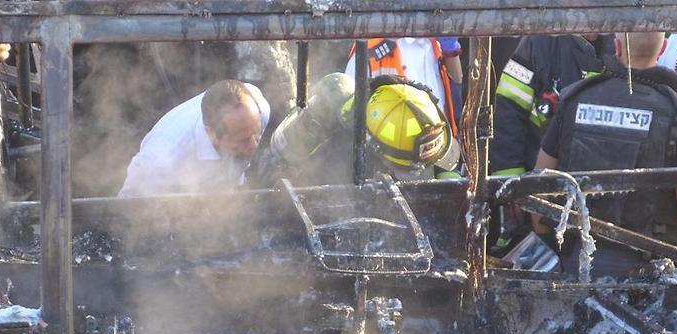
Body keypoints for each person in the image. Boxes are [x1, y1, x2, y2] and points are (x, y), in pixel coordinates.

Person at [535, 32, 677, 277]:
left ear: (617, 46)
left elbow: (541, 177)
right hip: (645, 266)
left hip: (577, 257)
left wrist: (545, 233)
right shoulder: (673, 112)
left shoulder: (575, 98)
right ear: (663, 48)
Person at [249, 73, 457, 187]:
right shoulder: (339, 157)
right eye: (404, 168)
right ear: (374, 146)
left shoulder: (410, 104)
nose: (415, 173)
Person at [118, 79, 270, 197]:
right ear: (211, 133)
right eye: (242, 140)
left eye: (256, 133)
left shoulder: (259, 111)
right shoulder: (159, 161)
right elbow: (126, 210)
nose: (253, 145)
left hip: (226, 195)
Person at [490, 34, 604, 177]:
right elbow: (507, 113)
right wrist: (509, 184)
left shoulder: (627, 43)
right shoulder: (538, 42)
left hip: (604, 184)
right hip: (540, 179)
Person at [345, 38, 462, 135]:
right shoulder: (370, 51)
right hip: (388, 158)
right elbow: (348, 117)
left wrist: (451, 52)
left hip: (439, 149)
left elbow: (455, 91)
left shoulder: (436, 44)